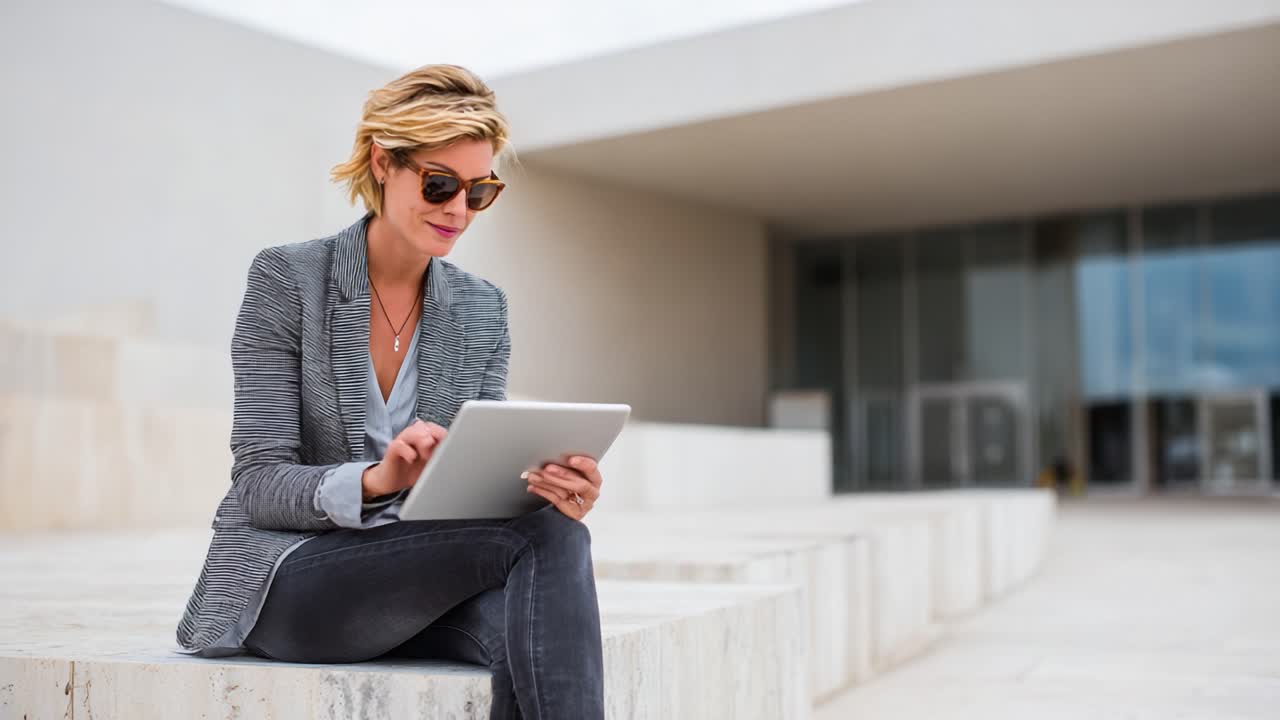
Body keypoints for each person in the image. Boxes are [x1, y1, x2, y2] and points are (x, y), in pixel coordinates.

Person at [175, 64, 606, 719]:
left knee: (539, 592)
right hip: (290, 580)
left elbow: (479, 488)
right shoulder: (288, 280)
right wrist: (377, 480)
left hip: (412, 583)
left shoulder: (483, 308)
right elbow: (258, 483)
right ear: (383, 163)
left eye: (479, 191)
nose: (458, 210)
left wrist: (548, 488)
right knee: (544, 542)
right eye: (439, 184)